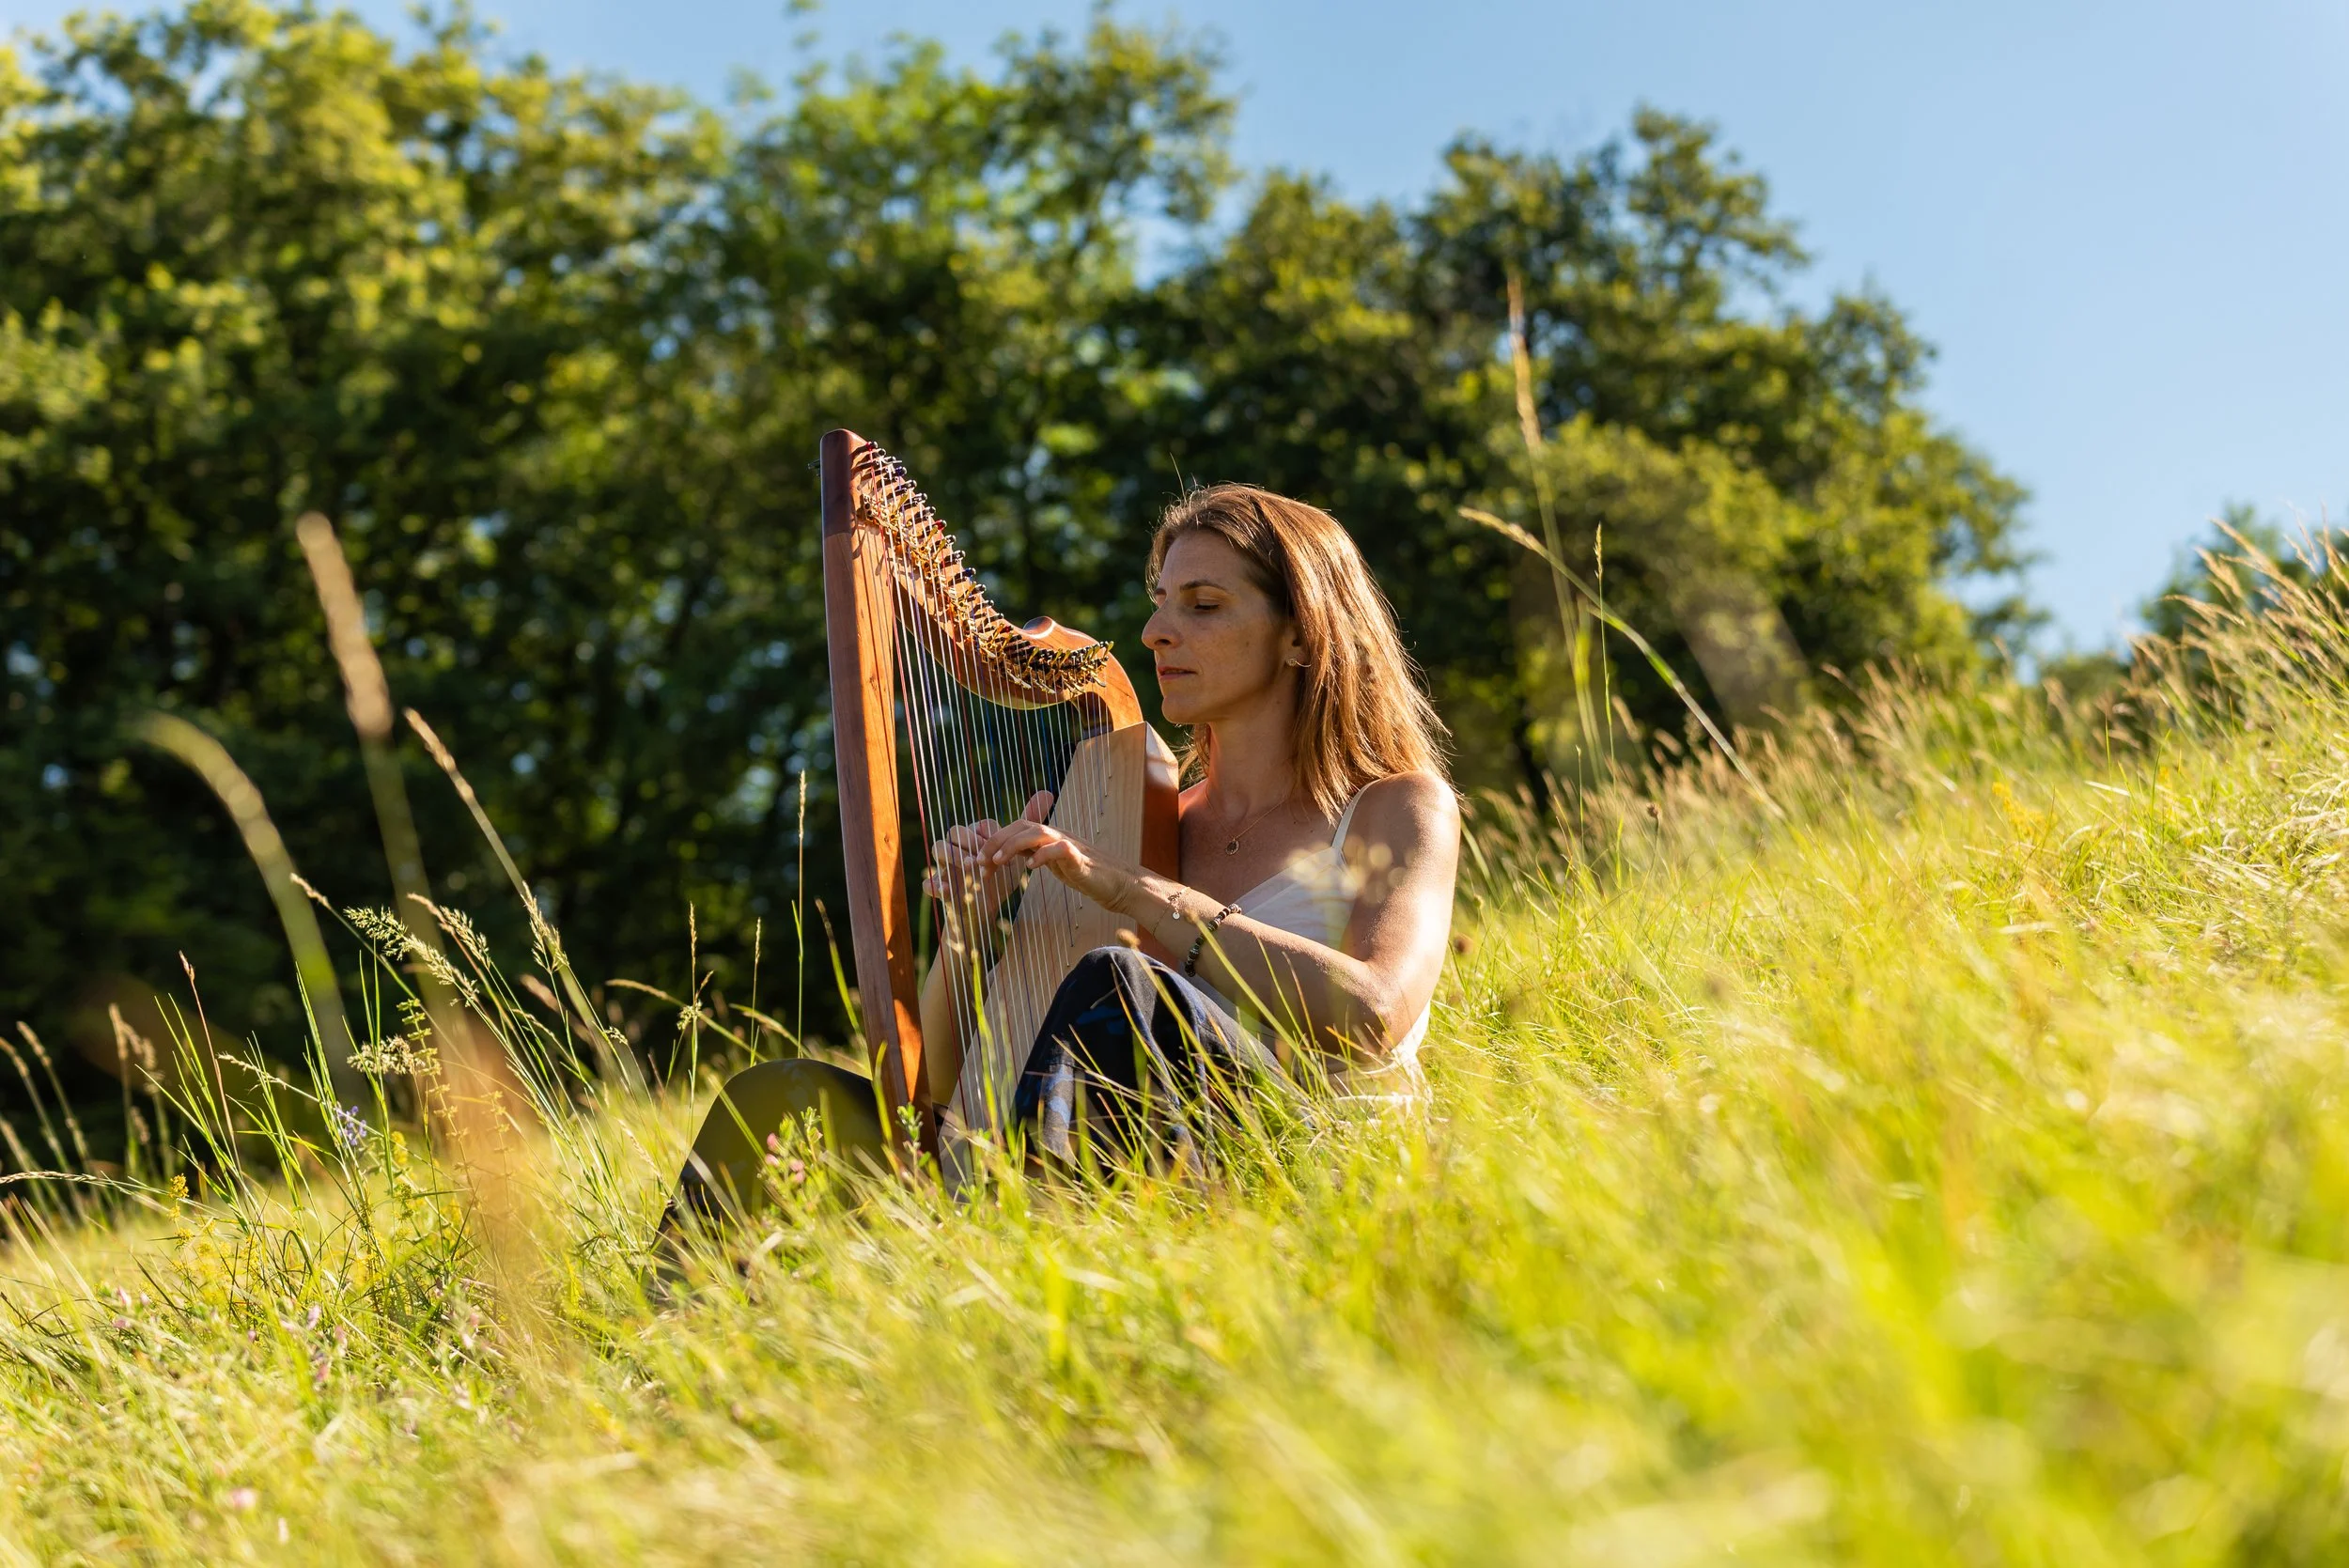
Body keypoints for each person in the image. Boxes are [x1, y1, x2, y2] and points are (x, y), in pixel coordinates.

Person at [662, 484, 1458, 1225]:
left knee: (1123, 982)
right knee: (776, 1097)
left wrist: (1143, 895)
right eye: (1158, 605)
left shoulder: (1394, 806)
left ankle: (996, 1263)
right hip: (1137, 1160)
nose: (1155, 632)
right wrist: (971, 922)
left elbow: (1375, 1012)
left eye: (1204, 605)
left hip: (1310, 1166)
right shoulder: (1138, 816)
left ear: (1298, 634)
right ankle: (659, 1356)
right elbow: (938, 1099)